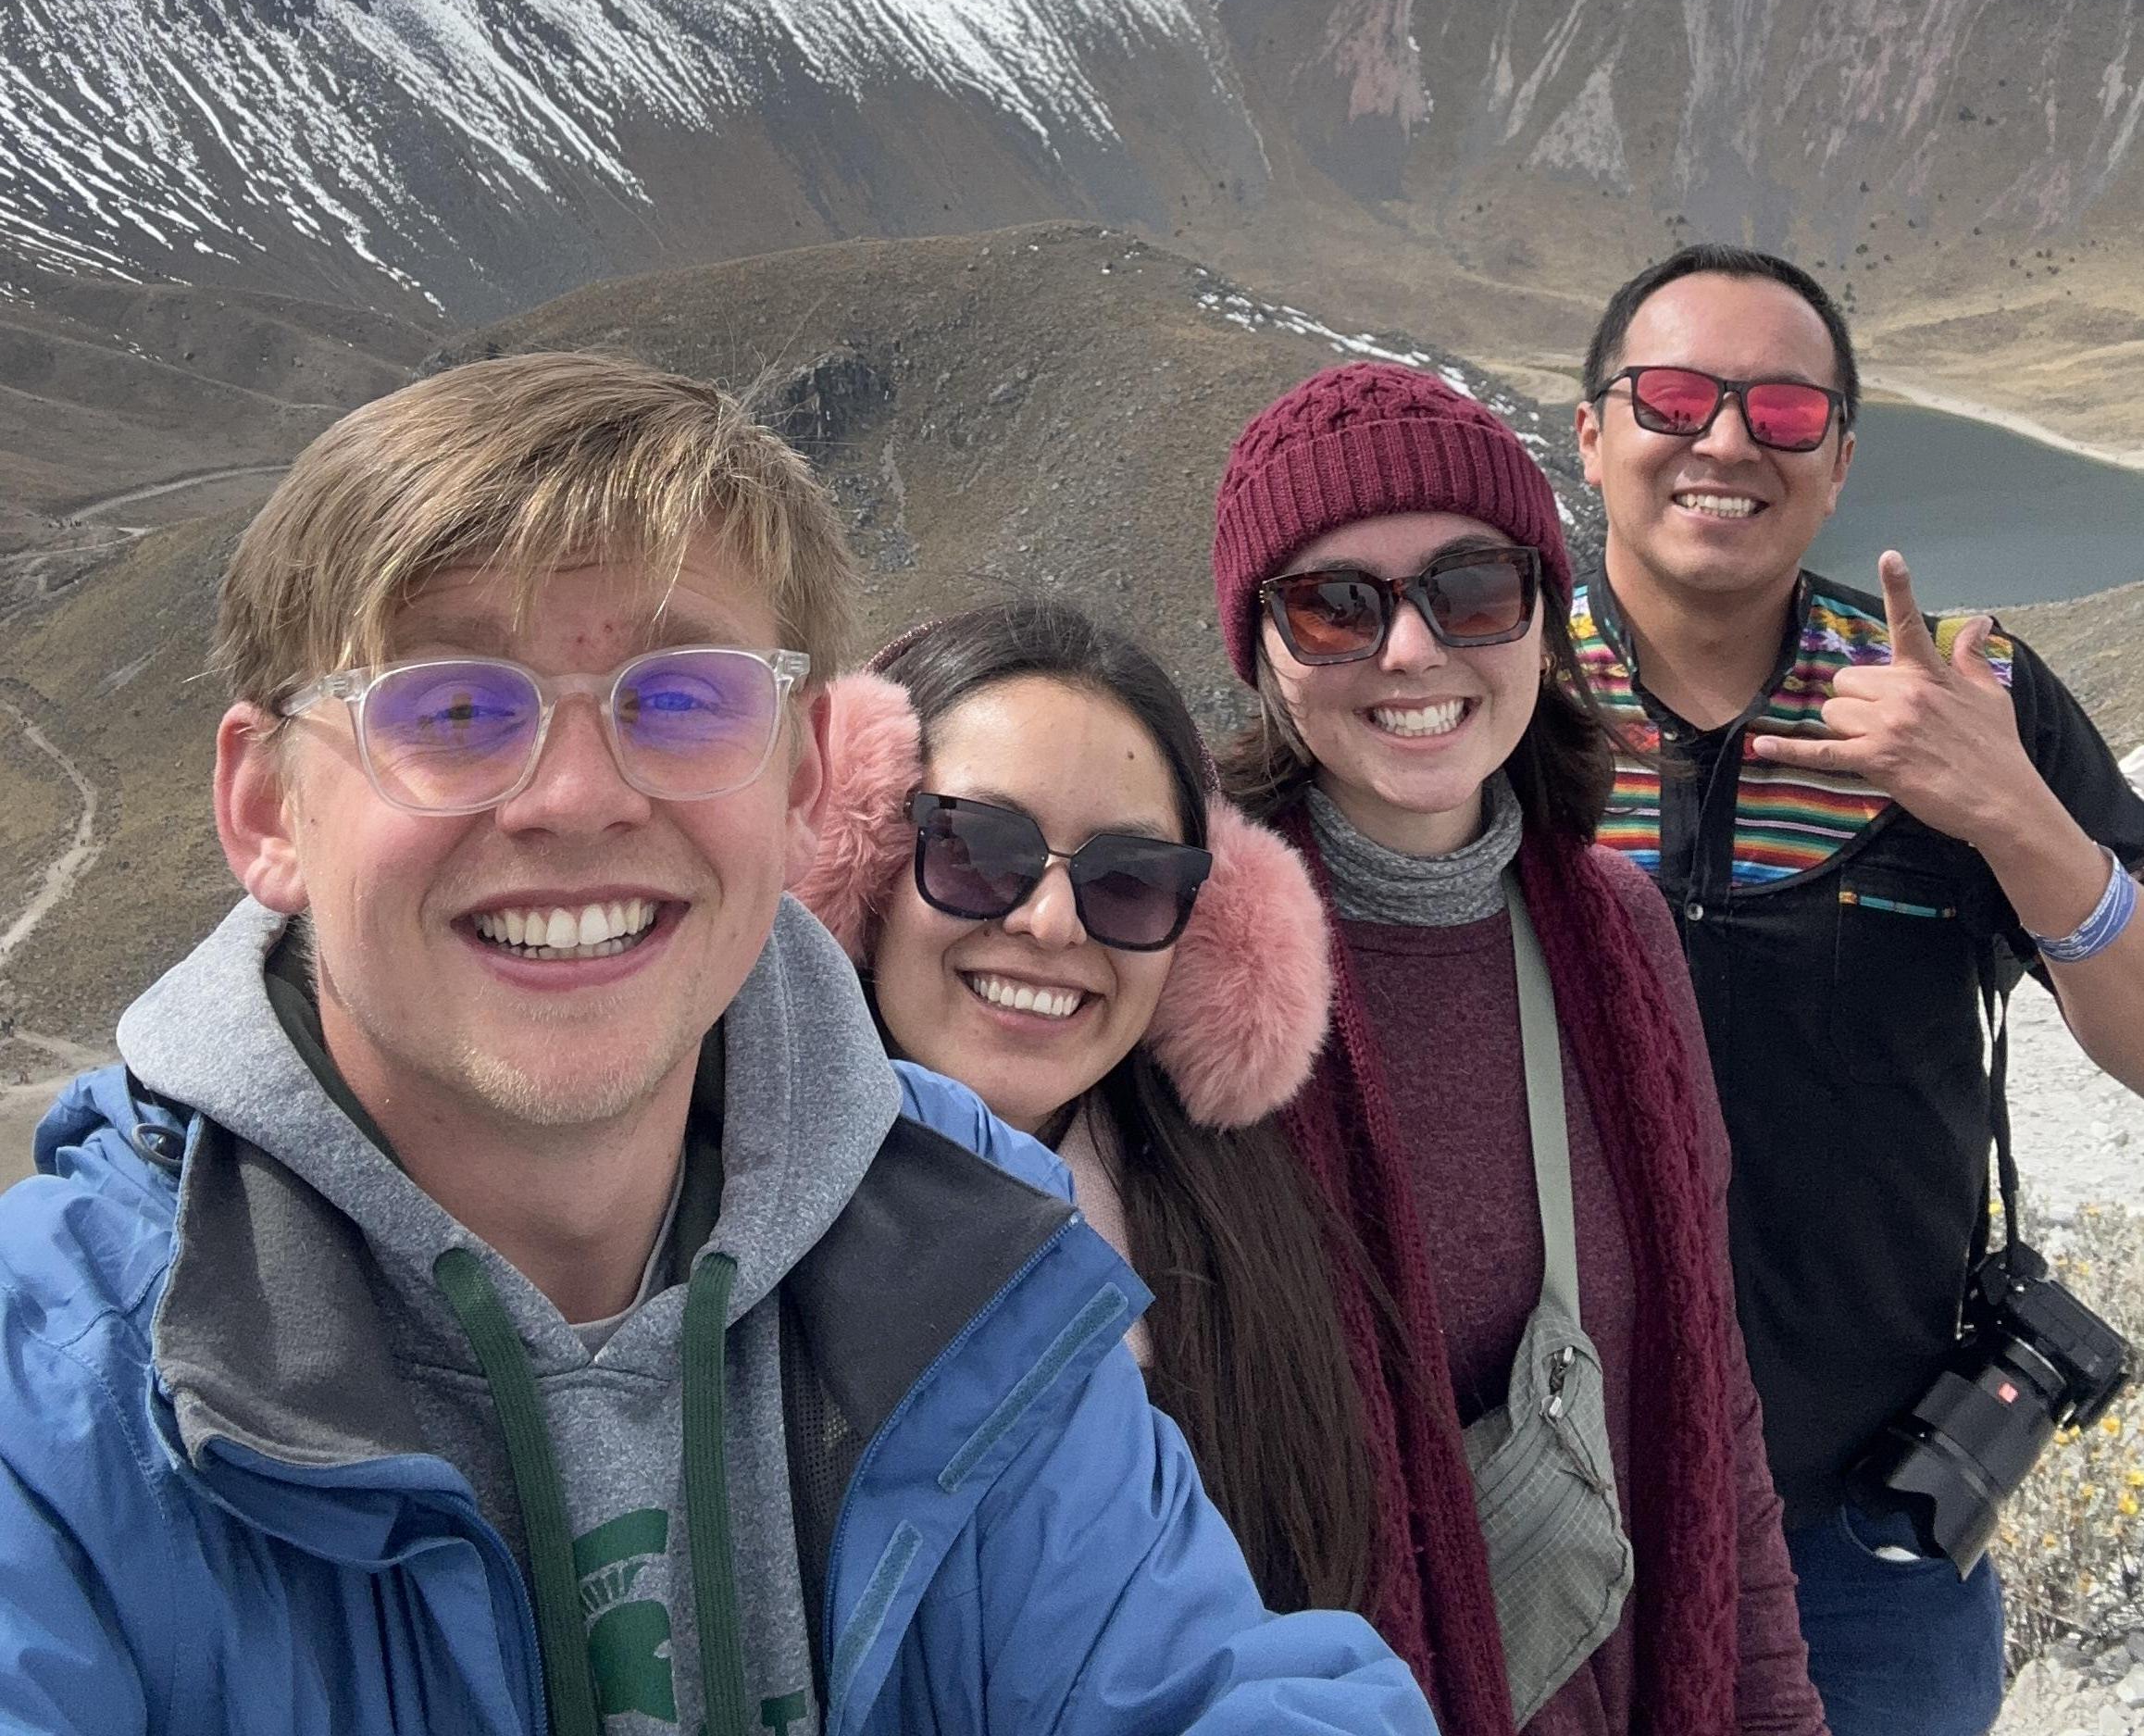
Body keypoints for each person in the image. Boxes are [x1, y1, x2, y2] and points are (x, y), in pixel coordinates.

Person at [0, 350, 1434, 1736]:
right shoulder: (56, 1390)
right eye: (454, 707)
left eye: (683, 701)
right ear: (266, 809)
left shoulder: (963, 1253)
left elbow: (1209, 1685)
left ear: (801, 779)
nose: (578, 798)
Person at [1569, 243, 2144, 1736]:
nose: (1722, 442)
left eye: (1781, 410)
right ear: (1590, 435)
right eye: (1674, 397)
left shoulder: (1969, 699)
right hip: (1539, 1511)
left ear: (1837, 461)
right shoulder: (1488, 703)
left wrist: (2015, 816)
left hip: (1866, 1534)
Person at [1211, 360, 1825, 1736]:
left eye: (1474, 589)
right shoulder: (1181, 950)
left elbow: (1707, 1402)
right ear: (1258, 650)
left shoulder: (1615, 936)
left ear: (1544, 616)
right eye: (1334, 604)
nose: (1411, 651)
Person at [793, 598, 1371, 1616]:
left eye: (1131, 880)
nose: (1052, 921)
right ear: (860, 866)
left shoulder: (1241, 1258)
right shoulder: (711, 1242)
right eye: (978, 848)